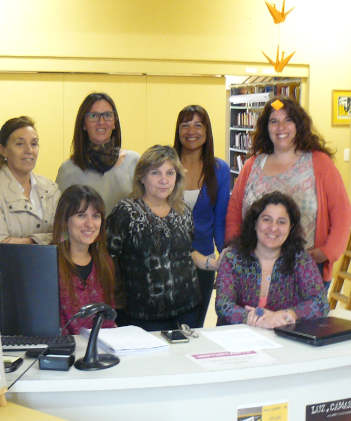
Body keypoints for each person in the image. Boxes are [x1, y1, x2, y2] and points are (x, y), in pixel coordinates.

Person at [224, 97, 351, 286]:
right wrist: (235, 250)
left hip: (305, 269)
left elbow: (342, 213)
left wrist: (328, 251)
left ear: (299, 125)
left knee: (302, 317)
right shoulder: (252, 166)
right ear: (266, 128)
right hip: (255, 269)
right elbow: (235, 211)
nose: (280, 127)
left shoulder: (319, 164)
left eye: (288, 120)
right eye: (273, 121)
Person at [107, 145, 207, 331]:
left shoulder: (182, 209)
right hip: (143, 314)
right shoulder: (126, 211)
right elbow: (108, 259)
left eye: (170, 173)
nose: (164, 180)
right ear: (142, 177)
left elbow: (186, 251)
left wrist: (211, 263)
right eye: (156, 173)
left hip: (187, 308)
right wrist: (115, 306)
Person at [216, 192, 329, 328]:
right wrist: (257, 319)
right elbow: (223, 305)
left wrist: (289, 314)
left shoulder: (300, 259)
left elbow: (321, 302)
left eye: (281, 222)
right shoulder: (233, 257)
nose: (273, 227)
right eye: (266, 219)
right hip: (236, 339)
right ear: (255, 222)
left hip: (282, 341)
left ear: (290, 227)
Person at [173, 105, 230, 328]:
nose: (191, 131)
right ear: (178, 131)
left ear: (207, 131)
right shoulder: (168, 165)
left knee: (194, 327)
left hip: (204, 263)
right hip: (169, 260)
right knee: (169, 327)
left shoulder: (219, 169)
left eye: (198, 125)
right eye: (185, 125)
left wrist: (224, 259)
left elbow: (219, 219)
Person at [56, 92, 139, 215]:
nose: (101, 122)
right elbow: (60, 220)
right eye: (94, 116)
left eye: (107, 115)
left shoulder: (134, 162)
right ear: (84, 123)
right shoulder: (68, 170)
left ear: (115, 122)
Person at [0, 116, 60, 245]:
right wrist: (47, 240)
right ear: (3, 150)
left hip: (50, 265)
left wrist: (29, 241)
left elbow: (65, 236)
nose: (29, 150)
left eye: (34, 144)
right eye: (20, 144)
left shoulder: (51, 189)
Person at [52, 184, 117, 335]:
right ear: (65, 219)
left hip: (101, 349)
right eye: (81, 215)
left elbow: (109, 318)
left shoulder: (105, 262)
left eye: (96, 216)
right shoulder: (50, 265)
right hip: (64, 352)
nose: (90, 224)